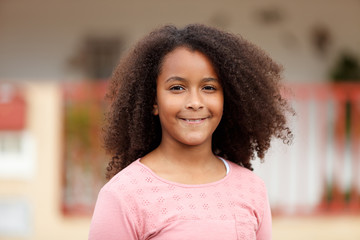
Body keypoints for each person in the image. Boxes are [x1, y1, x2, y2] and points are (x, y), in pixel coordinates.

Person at [88, 24, 293, 240]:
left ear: (227, 99)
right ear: (153, 101)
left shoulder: (251, 189)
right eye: (177, 87)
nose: (195, 103)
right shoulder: (124, 195)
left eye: (209, 88)